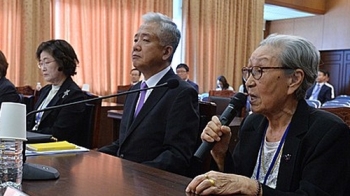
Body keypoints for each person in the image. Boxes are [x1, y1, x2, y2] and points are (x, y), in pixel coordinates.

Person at [186, 34, 350, 195]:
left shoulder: (328, 132)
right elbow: (237, 181)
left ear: (294, 79)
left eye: (259, 71)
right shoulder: (253, 123)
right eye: (249, 71)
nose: (249, 82)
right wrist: (221, 155)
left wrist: (254, 189)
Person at [99, 12, 199, 176]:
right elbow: (123, 144)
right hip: (124, 178)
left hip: (151, 184)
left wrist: (134, 175)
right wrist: (91, 155)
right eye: (135, 39)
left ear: (166, 52)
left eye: (145, 40)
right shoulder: (135, 89)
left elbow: (176, 156)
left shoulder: (181, 92)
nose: (136, 46)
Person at [27, 39, 86, 146]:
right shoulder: (45, 90)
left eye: (47, 62)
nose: (43, 68)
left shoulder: (73, 95)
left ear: (62, 62)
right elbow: (32, 122)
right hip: (34, 144)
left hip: (55, 149)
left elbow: (60, 133)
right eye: (41, 63)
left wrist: (29, 135)